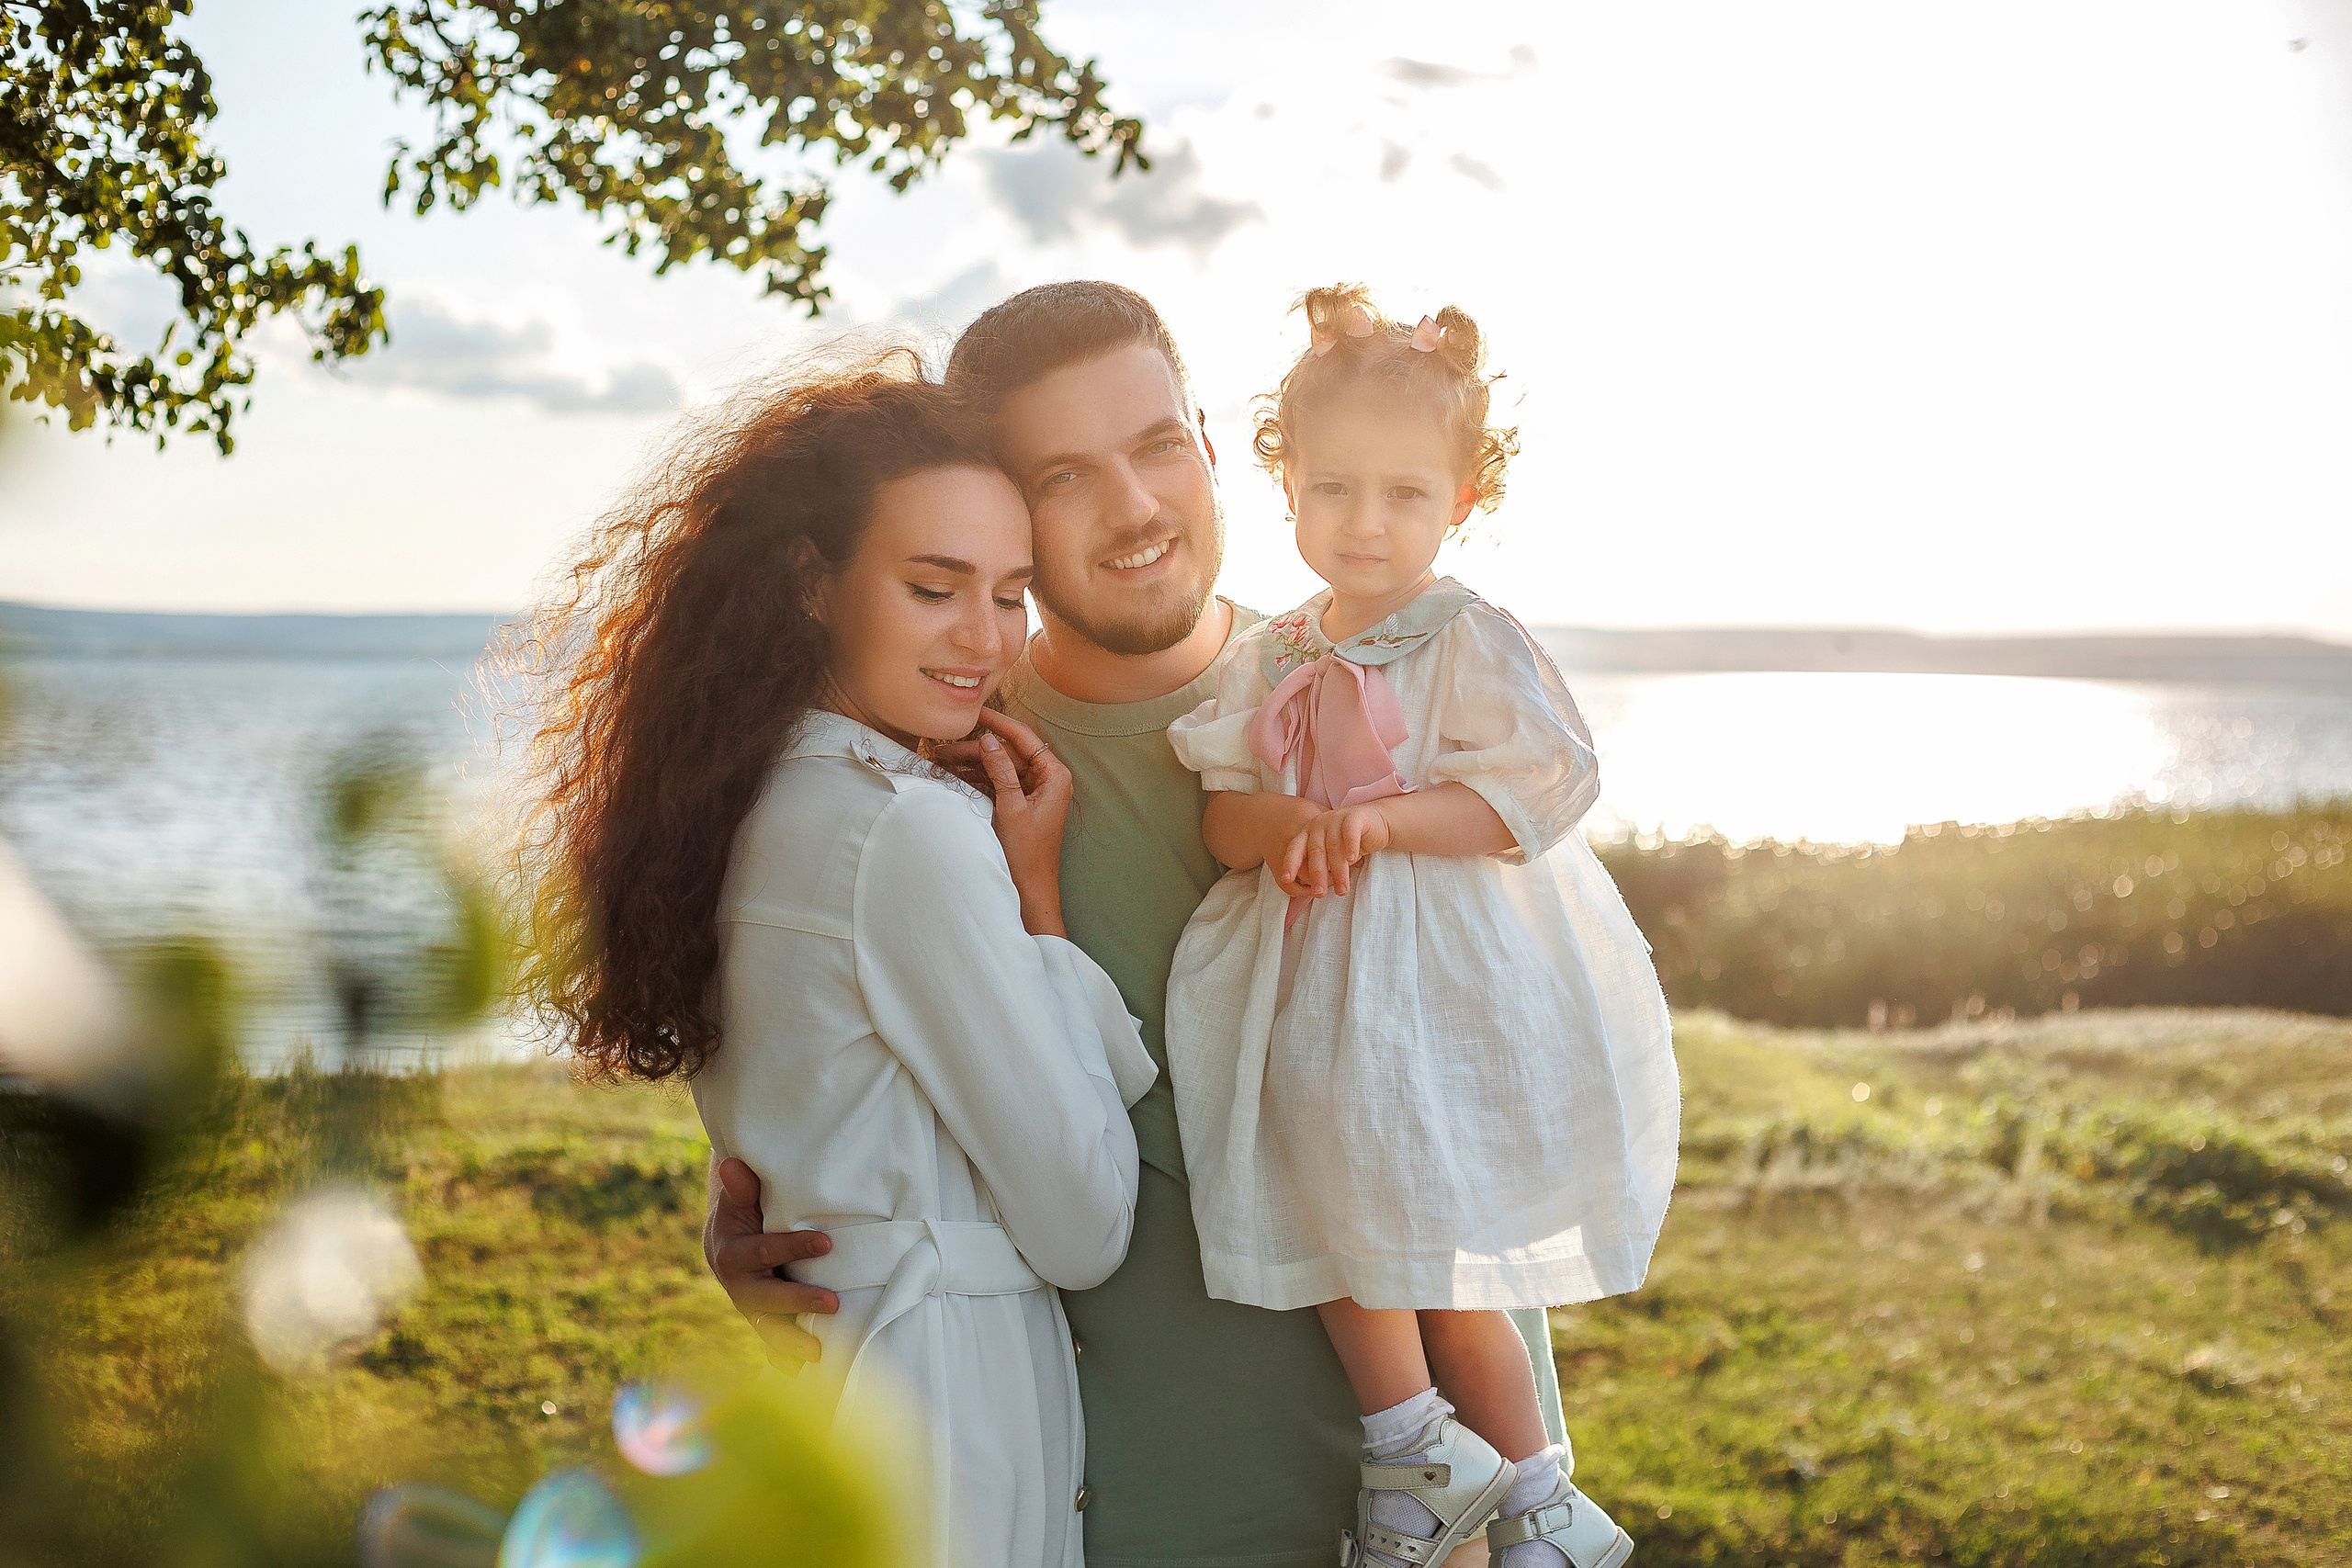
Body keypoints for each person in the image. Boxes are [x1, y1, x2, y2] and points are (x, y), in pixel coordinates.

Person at [706, 283, 1575, 1567]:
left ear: (1215, 450)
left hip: (1461, 1505)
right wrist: (772, 1217)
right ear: (1000, 511)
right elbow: (833, 1038)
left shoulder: (1389, 691)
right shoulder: (961, 776)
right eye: (1065, 475)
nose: (1135, 509)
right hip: (1148, 1517)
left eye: (1160, 446)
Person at [514, 354, 1158, 1568]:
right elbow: (1084, 1225)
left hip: (834, 1373)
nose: (984, 639)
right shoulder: (905, 827)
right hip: (941, 1406)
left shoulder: (742, 795)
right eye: (933, 587)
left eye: (1012, 592)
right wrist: (1038, 905)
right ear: (810, 585)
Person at [1161, 286, 1679, 1568]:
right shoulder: (1271, 654)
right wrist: (1285, 827)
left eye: (1403, 493)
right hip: (1315, 973)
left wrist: (1383, 824)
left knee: (1440, 1258)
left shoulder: (1463, 637)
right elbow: (1224, 819)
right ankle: (1457, 1470)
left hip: (1430, 979)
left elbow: (1533, 791)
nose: (1366, 522)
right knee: (1346, 1211)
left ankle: (1513, 1489)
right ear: (1284, 487)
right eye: (1334, 489)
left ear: (1461, 498)